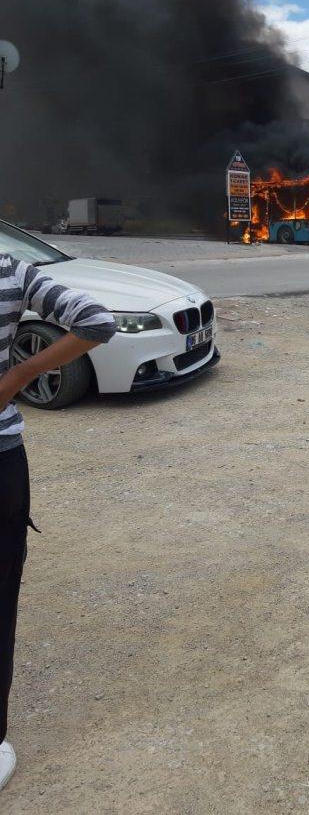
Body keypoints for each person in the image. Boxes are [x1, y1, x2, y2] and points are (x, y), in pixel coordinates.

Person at [0, 255, 115, 790]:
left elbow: (97, 321)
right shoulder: (8, 268)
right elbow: (95, 322)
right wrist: (17, 377)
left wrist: (17, 375)